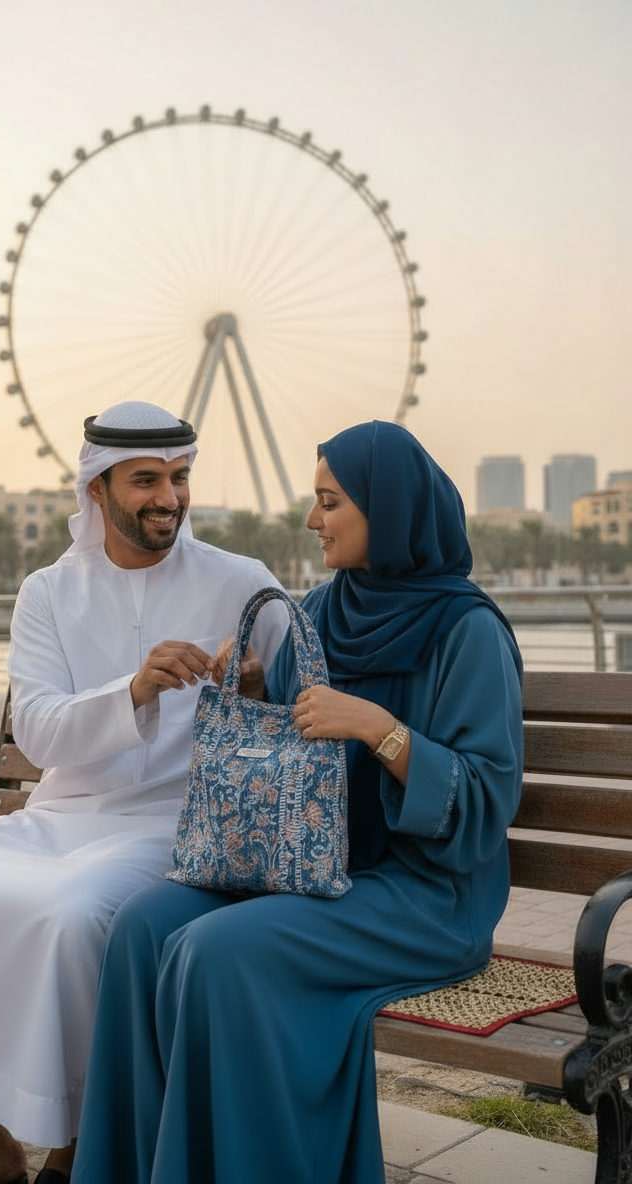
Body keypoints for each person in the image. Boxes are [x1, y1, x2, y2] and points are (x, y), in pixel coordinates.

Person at [70, 419, 524, 1184]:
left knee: (218, 952)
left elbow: (487, 800)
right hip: (309, 868)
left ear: (393, 510)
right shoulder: (320, 609)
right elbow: (294, 740)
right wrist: (254, 689)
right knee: (143, 927)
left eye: (330, 502)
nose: (312, 520)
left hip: (424, 893)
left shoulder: (466, 629)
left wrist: (382, 731)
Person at [0, 401, 289, 1184]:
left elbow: (301, 703)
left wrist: (259, 683)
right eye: (146, 479)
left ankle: (80, 1150)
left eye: (180, 477)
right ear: (97, 490)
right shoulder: (48, 591)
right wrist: (136, 689)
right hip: (60, 815)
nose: (169, 497)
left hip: (177, 823)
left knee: (73, 914)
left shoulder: (243, 583)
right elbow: (42, 733)